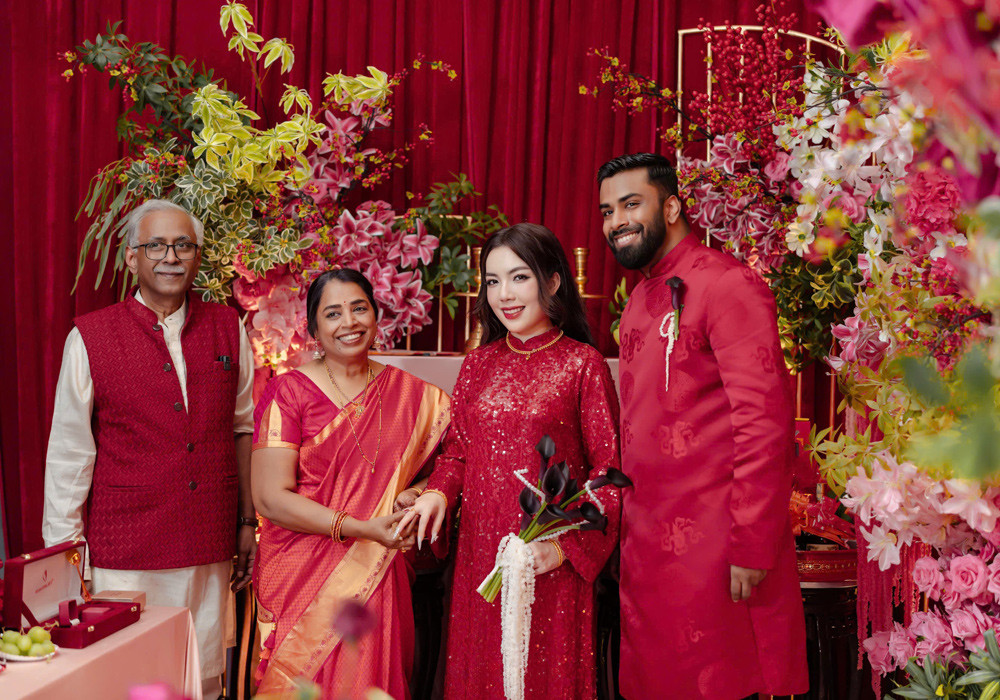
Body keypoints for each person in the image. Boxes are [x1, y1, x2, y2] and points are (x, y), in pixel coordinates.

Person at [597, 152, 809, 699]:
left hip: (717, 553)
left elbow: (765, 426)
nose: (617, 221)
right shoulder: (638, 300)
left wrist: (752, 546)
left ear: (671, 207)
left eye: (630, 204)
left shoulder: (728, 284)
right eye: (607, 211)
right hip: (648, 558)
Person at [42, 199, 257, 698]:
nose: (171, 257)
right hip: (126, 551)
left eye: (183, 245)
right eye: (156, 245)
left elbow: (242, 429)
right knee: (129, 683)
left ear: (197, 256)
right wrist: (67, 559)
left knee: (201, 680)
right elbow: (70, 455)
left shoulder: (228, 327)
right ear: (131, 257)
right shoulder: (90, 336)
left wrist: (247, 522)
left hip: (208, 548)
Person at [399, 223, 622, 699]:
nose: (504, 294)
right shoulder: (477, 364)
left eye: (519, 277)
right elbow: (459, 452)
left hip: (548, 563)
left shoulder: (582, 364)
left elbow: (608, 473)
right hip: (481, 556)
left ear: (553, 281)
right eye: (493, 281)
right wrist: (437, 493)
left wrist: (562, 550)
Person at [250, 268, 451, 699]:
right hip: (300, 573)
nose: (349, 322)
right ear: (313, 330)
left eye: (359, 308)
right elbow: (269, 497)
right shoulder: (289, 392)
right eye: (333, 313)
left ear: (376, 316)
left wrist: (415, 493)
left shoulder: (414, 396)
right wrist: (361, 528)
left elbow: (451, 464)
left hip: (376, 573)